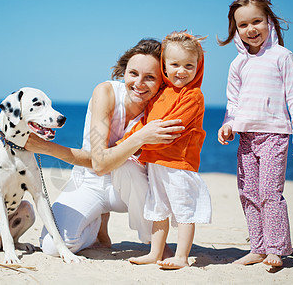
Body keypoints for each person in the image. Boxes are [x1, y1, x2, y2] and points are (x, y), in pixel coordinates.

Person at [24, 39, 184, 256]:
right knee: (53, 247)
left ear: (162, 81)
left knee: (126, 167)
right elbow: (99, 164)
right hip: (90, 181)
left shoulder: (163, 109)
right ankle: (98, 228)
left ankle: (154, 243)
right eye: (133, 73)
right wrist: (140, 137)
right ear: (124, 71)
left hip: (133, 189)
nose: (139, 83)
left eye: (150, 77)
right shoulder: (106, 93)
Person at [217, 0, 293, 267]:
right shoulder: (237, 64)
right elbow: (233, 102)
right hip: (246, 137)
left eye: (256, 21)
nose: (250, 29)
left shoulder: (282, 56)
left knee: (270, 192)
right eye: (243, 24)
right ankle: (257, 247)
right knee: (248, 193)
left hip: (275, 135)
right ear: (236, 29)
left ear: (269, 21)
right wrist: (228, 125)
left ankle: (276, 249)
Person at [120, 31, 212, 269]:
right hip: (156, 163)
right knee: (157, 208)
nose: (181, 71)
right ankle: (155, 252)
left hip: (179, 164)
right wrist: (126, 143)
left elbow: (172, 128)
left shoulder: (193, 96)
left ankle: (181, 256)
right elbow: (145, 124)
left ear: (198, 67)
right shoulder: (160, 94)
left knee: (183, 210)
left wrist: (143, 144)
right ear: (164, 66)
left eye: (189, 65)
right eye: (175, 65)